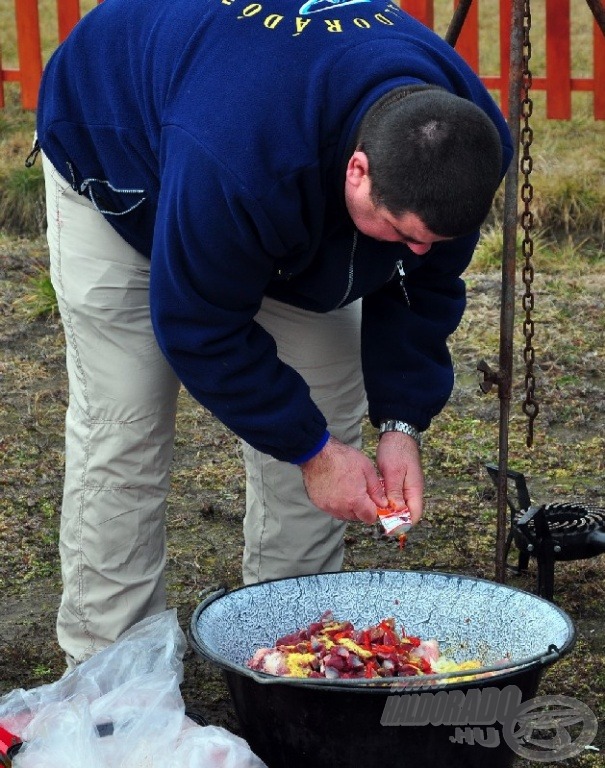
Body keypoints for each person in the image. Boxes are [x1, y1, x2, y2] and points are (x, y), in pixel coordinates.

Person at [33, 0, 513, 667]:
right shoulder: (239, 157)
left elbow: (422, 286)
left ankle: (297, 651)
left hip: (267, 167)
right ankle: (111, 671)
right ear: (358, 170)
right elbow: (198, 325)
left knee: (327, 416)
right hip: (123, 147)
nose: (418, 250)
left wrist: (401, 424)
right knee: (127, 419)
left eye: (434, 239)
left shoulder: (467, 146)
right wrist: (310, 454)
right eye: (403, 234)